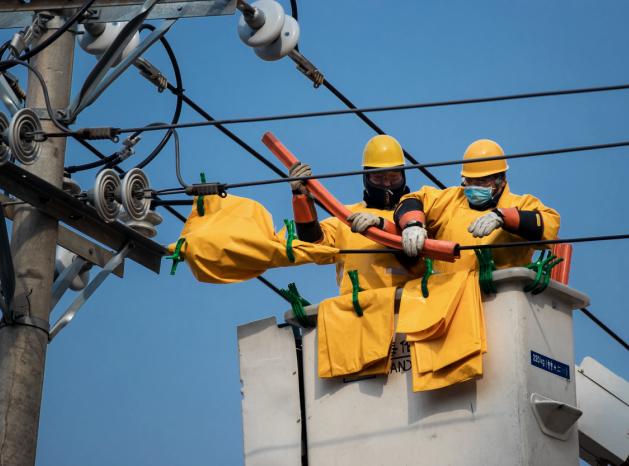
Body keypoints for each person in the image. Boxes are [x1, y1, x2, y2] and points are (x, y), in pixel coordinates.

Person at [394, 139, 560, 272]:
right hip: (445, 297)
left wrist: (504, 217)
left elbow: (549, 225)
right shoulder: (450, 199)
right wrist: (413, 224)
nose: (473, 186)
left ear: (500, 180)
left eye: (481, 181)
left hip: (496, 298)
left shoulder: (520, 204)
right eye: (469, 180)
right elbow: (412, 200)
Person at [289, 135, 420, 294]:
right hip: (357, 312)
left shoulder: (415, 218)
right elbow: (312, 243)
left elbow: (421, 256)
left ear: (403, 176)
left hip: (407, 308)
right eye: (378, 178)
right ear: (366, 178)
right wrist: (301, 198)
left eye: (393, 177)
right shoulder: (345, 217)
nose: (386, 184)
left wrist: (382, 226)